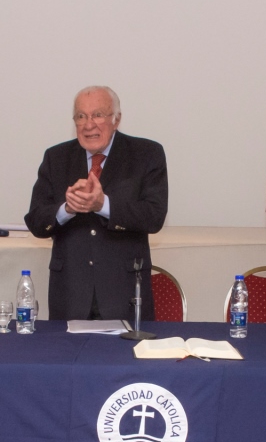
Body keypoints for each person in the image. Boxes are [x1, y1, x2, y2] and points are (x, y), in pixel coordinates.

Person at [25, 86, 168, 321]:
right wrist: (67, 209)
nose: (89, 124)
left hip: (124, 295)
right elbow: (36, 222)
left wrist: (103, 205)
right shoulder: (56, 157)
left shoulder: (147, 154)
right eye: (81, 116)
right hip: (70, 295)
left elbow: (154, 216)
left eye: (98, 115)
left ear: (116, 119)